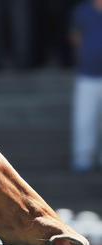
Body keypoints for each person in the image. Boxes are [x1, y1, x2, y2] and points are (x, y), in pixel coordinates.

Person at [70, 0, 102, 172]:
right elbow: (75, 36)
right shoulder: (82, 11)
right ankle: (83, 157)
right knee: (84, 119)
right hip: (87, 74)